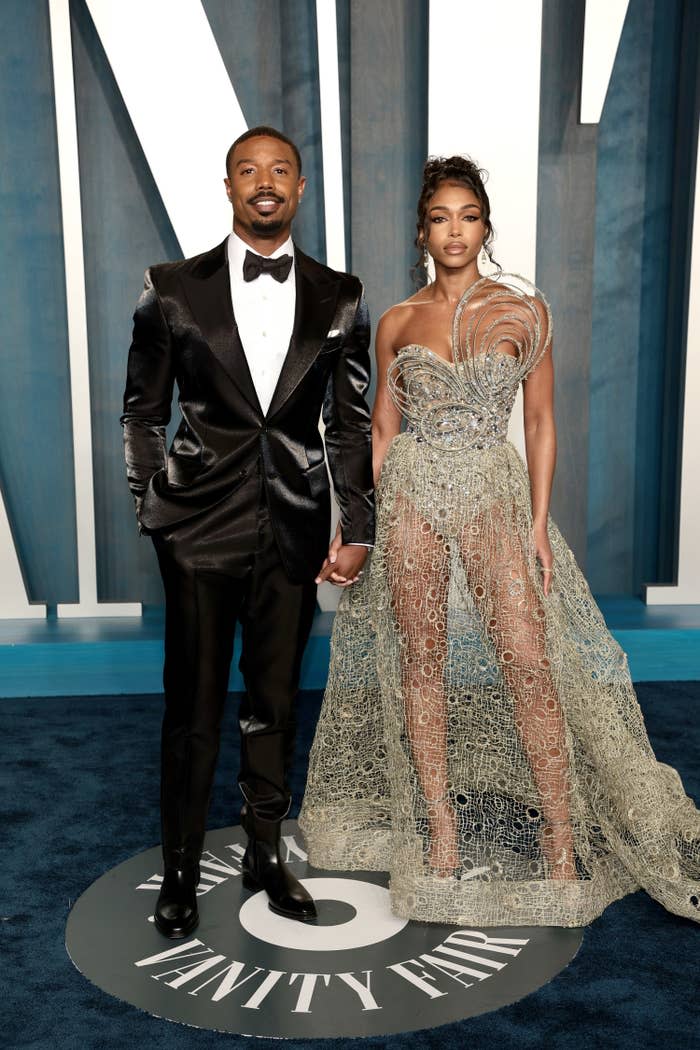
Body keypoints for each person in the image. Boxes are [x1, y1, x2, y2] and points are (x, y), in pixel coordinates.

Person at [300, 155, 700, 927]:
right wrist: (362, 530)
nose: (456, 231)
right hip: (413, 492)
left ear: (486, 225)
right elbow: (382, 430)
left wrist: (538, 523)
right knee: (421, 662)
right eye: (441, 217)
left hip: (492, 493)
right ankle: (439, 830)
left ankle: (558, 827)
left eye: (470, 216)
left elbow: (542, 422)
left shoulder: (523, 311)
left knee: (525, 657)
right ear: (424, 230)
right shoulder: (396, 321)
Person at [121, 126, 373, 937]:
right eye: (247, 171)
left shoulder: (342, 295)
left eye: (280, 171)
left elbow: (349, 425)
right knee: (191, 710)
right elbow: (141, 412)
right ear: (228, 187)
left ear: (300, 190)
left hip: (294, 532)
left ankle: (266, 856)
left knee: (274, 705)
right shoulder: (169, 288)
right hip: (197, 532)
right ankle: (183, 872)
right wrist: (153, 508)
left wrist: (357, 525)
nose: (264, 183)